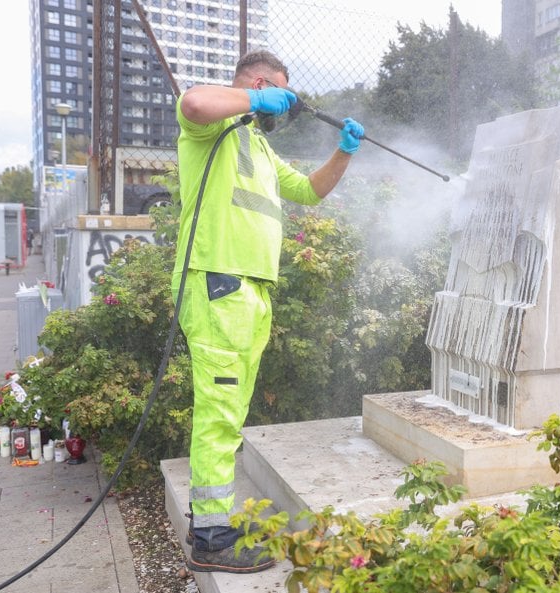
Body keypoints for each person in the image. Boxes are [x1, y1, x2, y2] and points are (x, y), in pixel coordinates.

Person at [172, 49, 364, 574]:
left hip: (251, 291)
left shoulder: (255, 143)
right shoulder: (212, 129)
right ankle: (211, 538)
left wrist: (344, 152)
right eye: (277, 92)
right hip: (219, 282)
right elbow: (193, 102)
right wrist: (257, 99)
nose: (281, 107)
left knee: (229, 412)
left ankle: (214, 521)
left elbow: (309, 191)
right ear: (260, 84)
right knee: (219, 409)